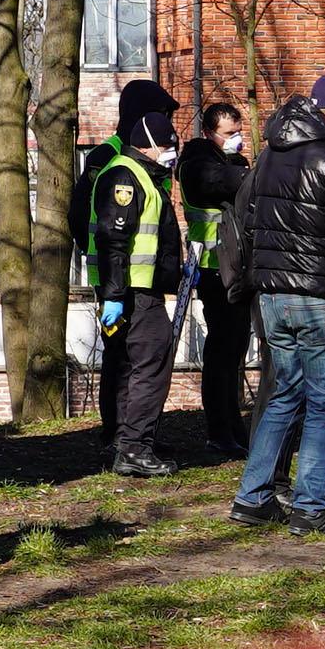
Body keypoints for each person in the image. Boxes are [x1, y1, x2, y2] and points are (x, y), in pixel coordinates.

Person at [224, 70, 325, 536]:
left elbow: (245, 222)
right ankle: (311, 505)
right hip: (318, 297)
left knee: (282, 395)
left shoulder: (269, 156)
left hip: (271, 296)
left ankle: (253, 497)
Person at [91, 94, 187, 477]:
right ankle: (133, 447)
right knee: (152, 364)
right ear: (150, 144)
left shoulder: (139, 173)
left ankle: (127, 441)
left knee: (128, 364)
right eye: (168, 145)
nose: (171, 153)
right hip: (133, 290)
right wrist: (115, 296)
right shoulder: (126, 176)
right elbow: (114, 239)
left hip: (131, 289)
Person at [176, 101, 254, 454]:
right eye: (229, 134)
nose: (236, 139)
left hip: (234, 266)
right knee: (222, 351)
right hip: (212, 267)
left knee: (236, 347)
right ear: (209, 133)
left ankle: (233, 425)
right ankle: (219, 430)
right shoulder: (196, 163)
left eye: (239, 133)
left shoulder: (231, 161)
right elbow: (222, 183)